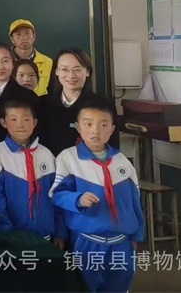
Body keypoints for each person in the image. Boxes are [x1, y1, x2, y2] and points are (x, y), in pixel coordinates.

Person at [50, 99, 144, 293]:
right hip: (87, 241)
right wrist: (77, 199)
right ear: (78, 127)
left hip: (120, 241)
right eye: (88, 124)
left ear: (112, 130)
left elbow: (134, 201)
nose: (95, 131)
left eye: (103, 125)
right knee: (85, 286)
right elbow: (57, 195)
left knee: (120, 284)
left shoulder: (121, 161)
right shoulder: (68, 158)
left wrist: (136, 234)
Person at [0, 99, 65, 248]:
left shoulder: (46, 154)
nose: (20, 125)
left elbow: (57, 195)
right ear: (3, 122)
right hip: (12, 238)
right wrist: (6, 233)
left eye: (26, 119)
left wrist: (60, 232)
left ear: (34, 122)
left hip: (45, 236)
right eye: (13, 119)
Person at [38, 47, 119, 157]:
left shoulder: (103, 105)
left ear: (87, 72)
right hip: (49, 164)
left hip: (88, 165)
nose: (71, 75)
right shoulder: (43, 103)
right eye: (64, 69)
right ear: (56, 71)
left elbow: (112, 146)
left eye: (77, 70)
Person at [9, 19, 52, 96]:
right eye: (18, 34)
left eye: (27, 33)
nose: (24, 38)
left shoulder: (48, 62)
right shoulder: (4, 61)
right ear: (12, 39)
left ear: (34, 36)